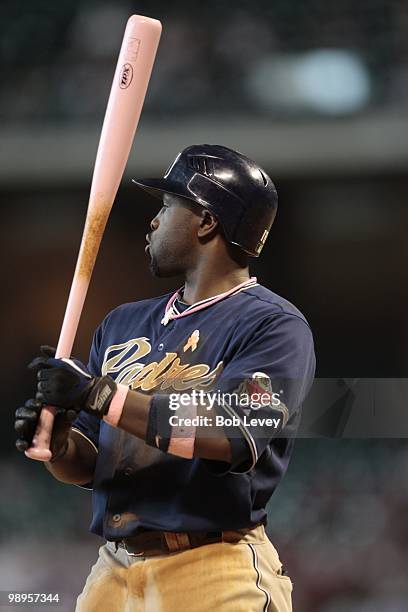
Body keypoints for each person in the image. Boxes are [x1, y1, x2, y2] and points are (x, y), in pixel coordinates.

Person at [15, 144, 315, 612]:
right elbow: (90, 464)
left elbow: (230, 433)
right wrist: (58, 445)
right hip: (114, 568)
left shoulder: (274, 325)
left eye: (167, 206)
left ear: (207, 221)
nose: (153, 221)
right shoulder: (121, 324)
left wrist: (98, 393)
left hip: (215, 566)